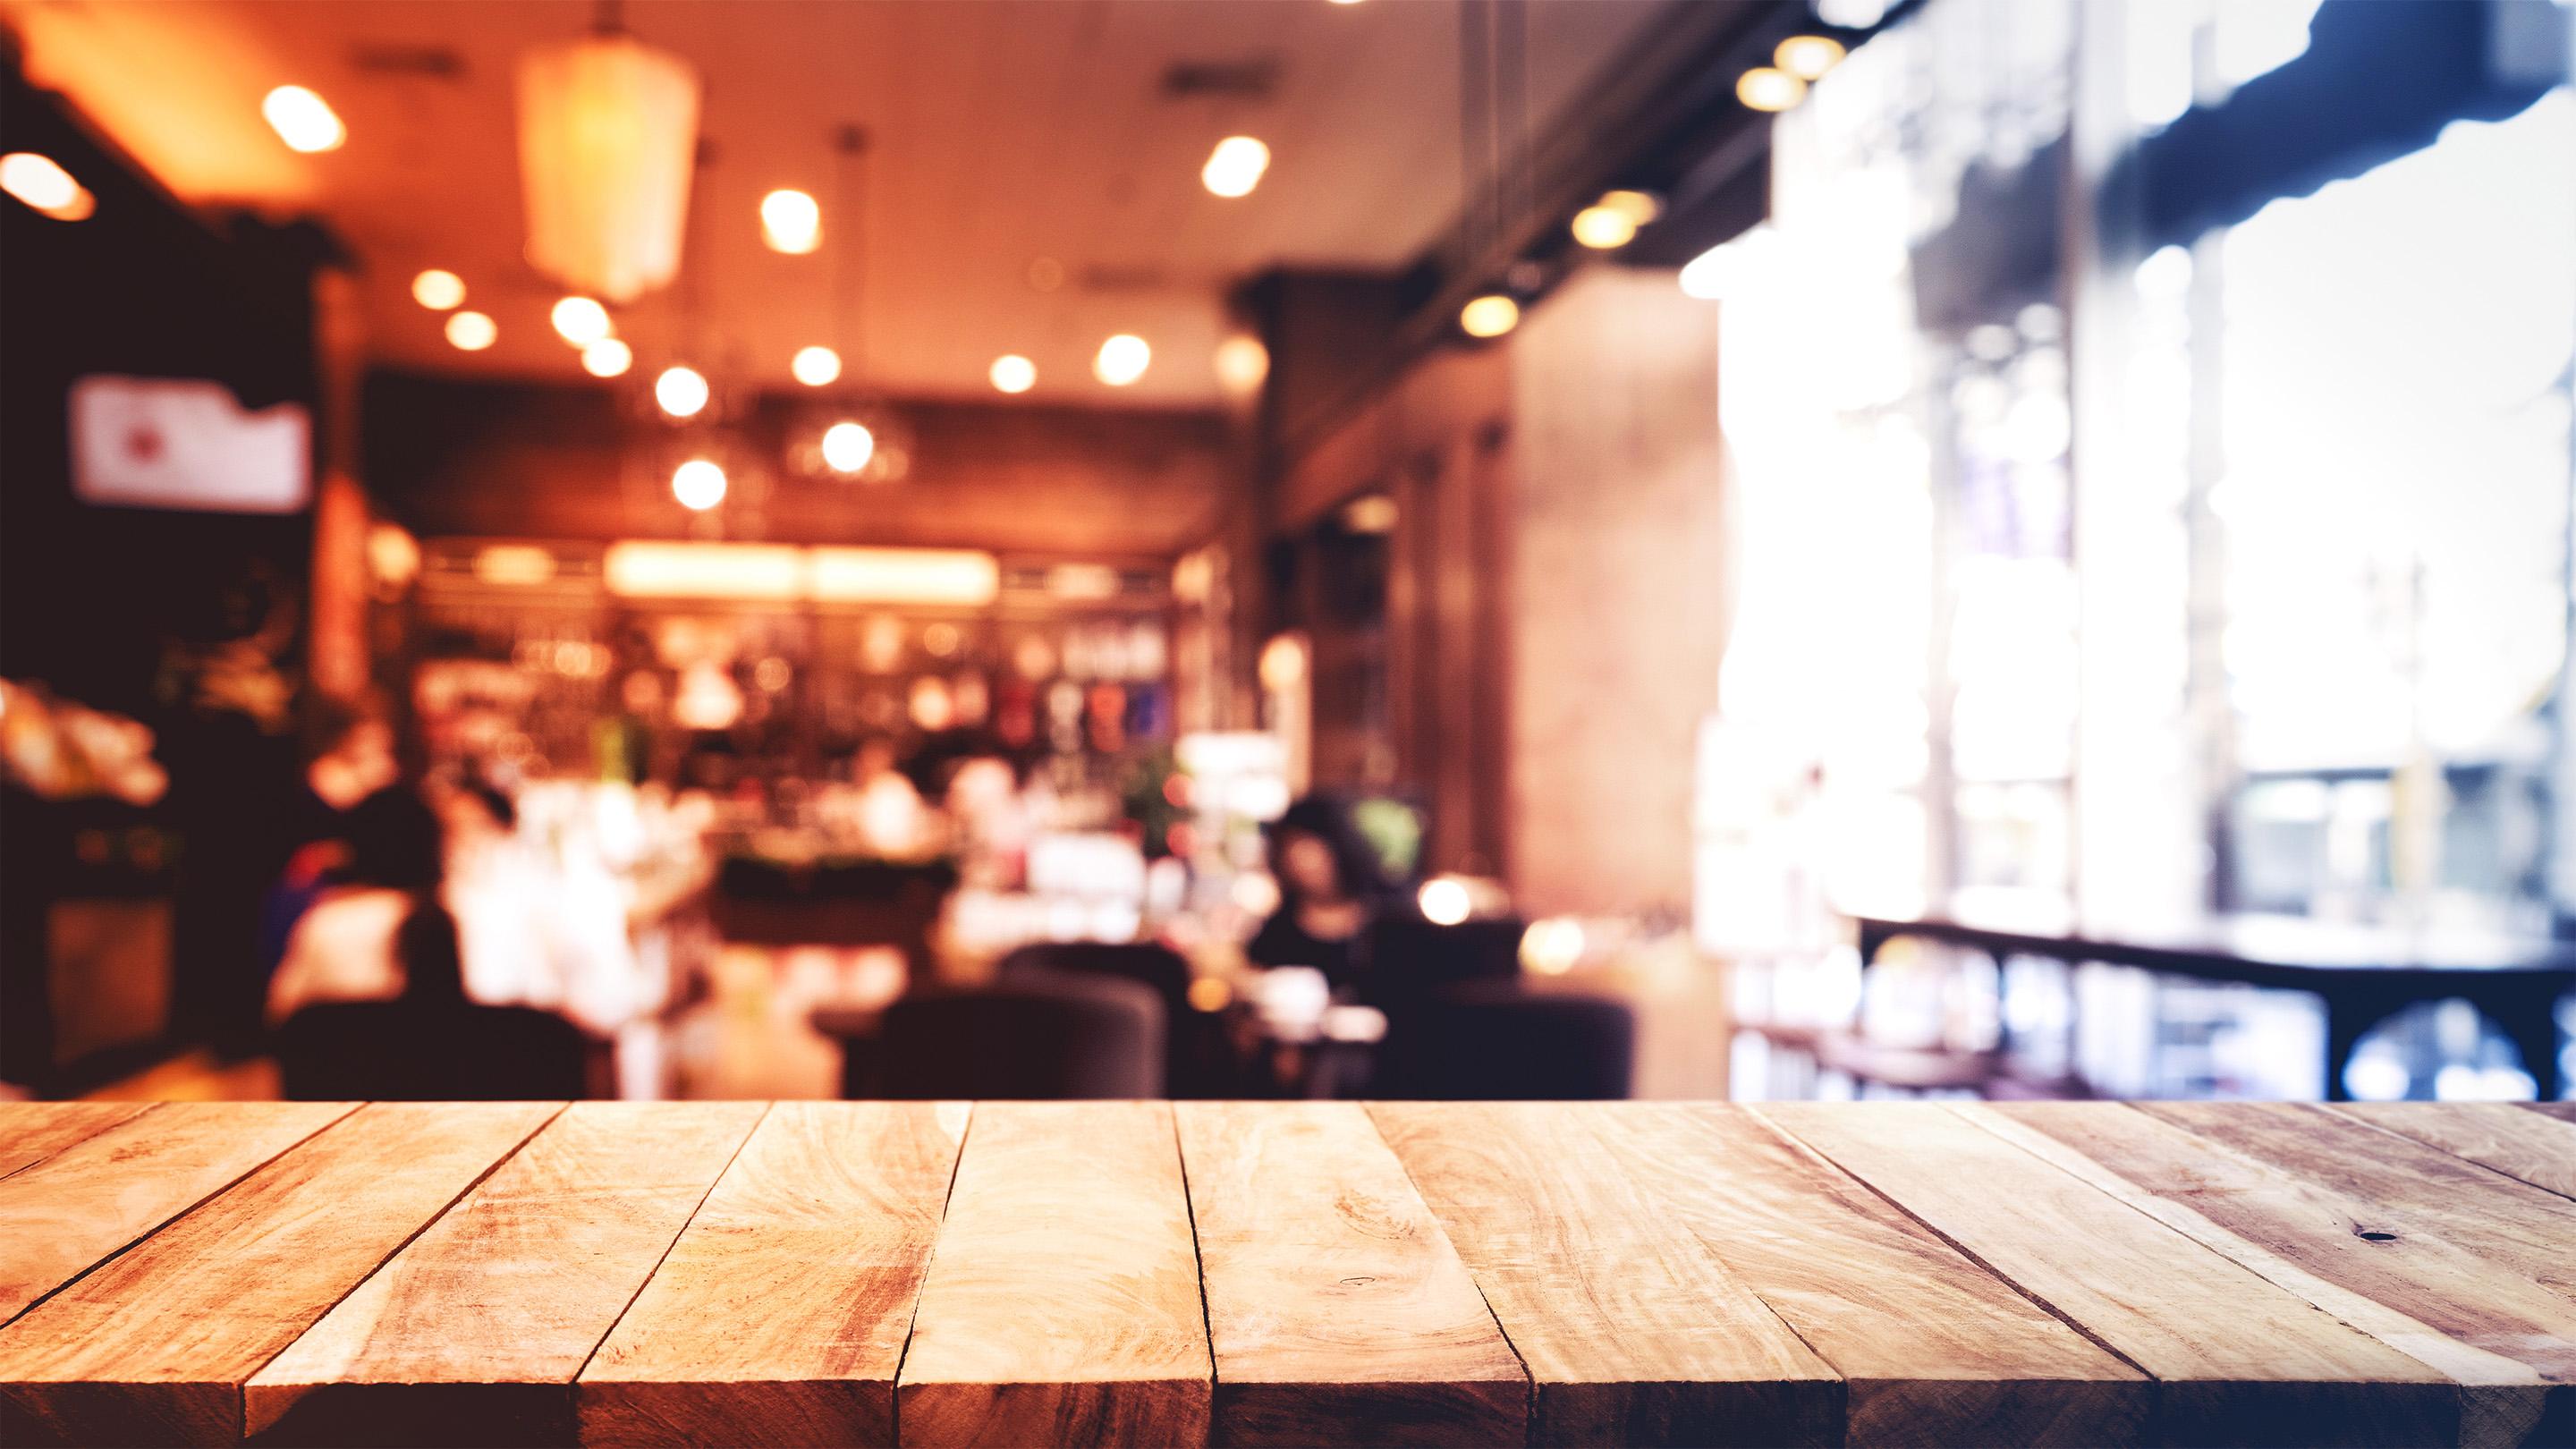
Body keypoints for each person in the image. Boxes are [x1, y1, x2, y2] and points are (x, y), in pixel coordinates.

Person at [1245, 796, 1391, 994]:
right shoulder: (1277, 930)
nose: (1301, 862)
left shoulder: (1384, 920)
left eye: (1310, 848)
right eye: (1290, 849)